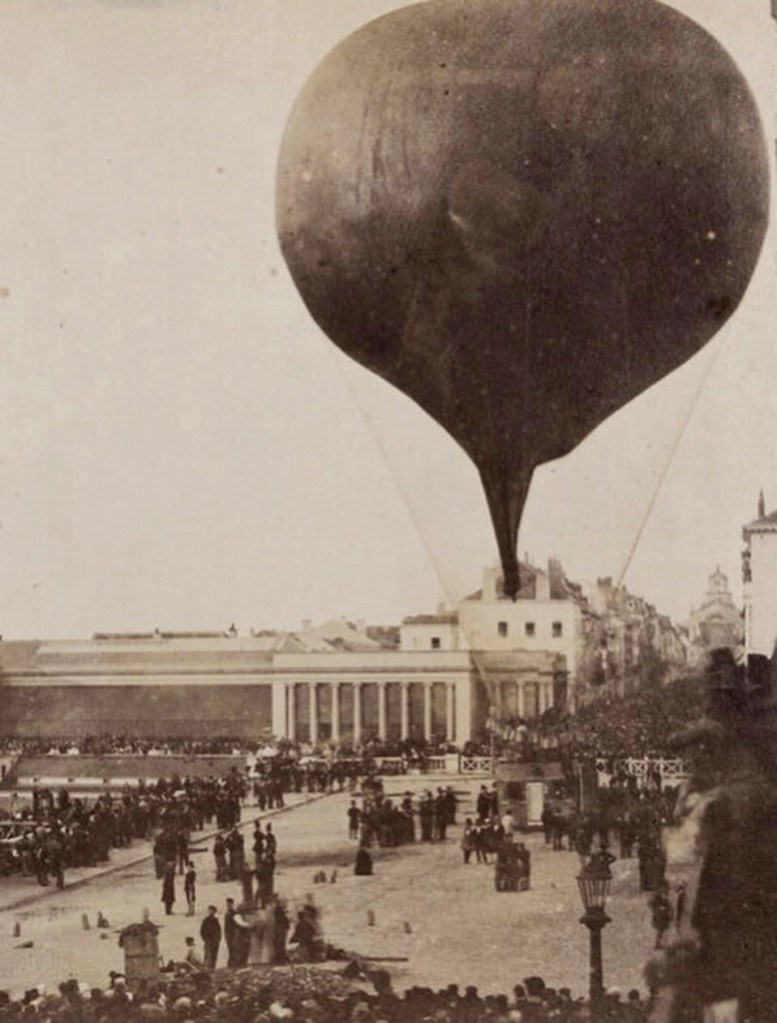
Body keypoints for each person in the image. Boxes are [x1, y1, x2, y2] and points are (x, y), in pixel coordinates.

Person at [200, 905, 221, 970]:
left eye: (212, 911)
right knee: (208, 956)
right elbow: (202, 931)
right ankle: (206, 970)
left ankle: (212, 969)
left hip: (215, 942)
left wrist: (218, 940)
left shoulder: (216, 921)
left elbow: (218, 931)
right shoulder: (205, 920)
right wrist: (206, 939)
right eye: (210, 911)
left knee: (214, 956)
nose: (211, 912)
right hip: (208, 942)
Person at [224, 897, 237, 967]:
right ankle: (231, 964)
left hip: (233, 934)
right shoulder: (227, 913)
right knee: (230, 949)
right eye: (227, 904)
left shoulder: (234, 913)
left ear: (232, 904)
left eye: (229, 904)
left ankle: (232, 964)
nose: (228, 905)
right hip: (228, 934)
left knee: (233, 949)